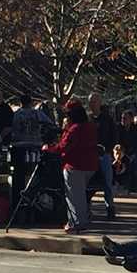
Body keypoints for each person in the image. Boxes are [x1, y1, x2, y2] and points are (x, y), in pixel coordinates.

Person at [45, 99, 98, 234]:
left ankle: (76, 223)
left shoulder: (74, 129)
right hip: (90, 166)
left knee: (74, 196)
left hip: (75, 165)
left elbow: (64, 146)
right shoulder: (90, 126)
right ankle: (78, 221)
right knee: (81, 195)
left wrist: (49, 148)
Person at [9, 96, 53, 207]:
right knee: (35, 174)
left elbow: (11, 127)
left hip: (19, 146)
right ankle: (34, 198)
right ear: (31, 103)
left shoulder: (17, 114)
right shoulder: (36, 113)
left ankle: (18, 200)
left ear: (21, 103)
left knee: (19, 175)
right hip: (35, 146)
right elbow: (49, 123)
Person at [87, 93, 118, 219]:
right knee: (87, 183)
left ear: (100, 103)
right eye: (91, 102)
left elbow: (114, 135)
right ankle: (86, 208)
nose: (93, 104)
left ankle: (110, 207)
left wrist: (110, 150)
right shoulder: (87, 119)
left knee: (107, 182)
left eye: (95, 101)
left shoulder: (107, 119)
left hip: (104, 155)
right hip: (89, 155)